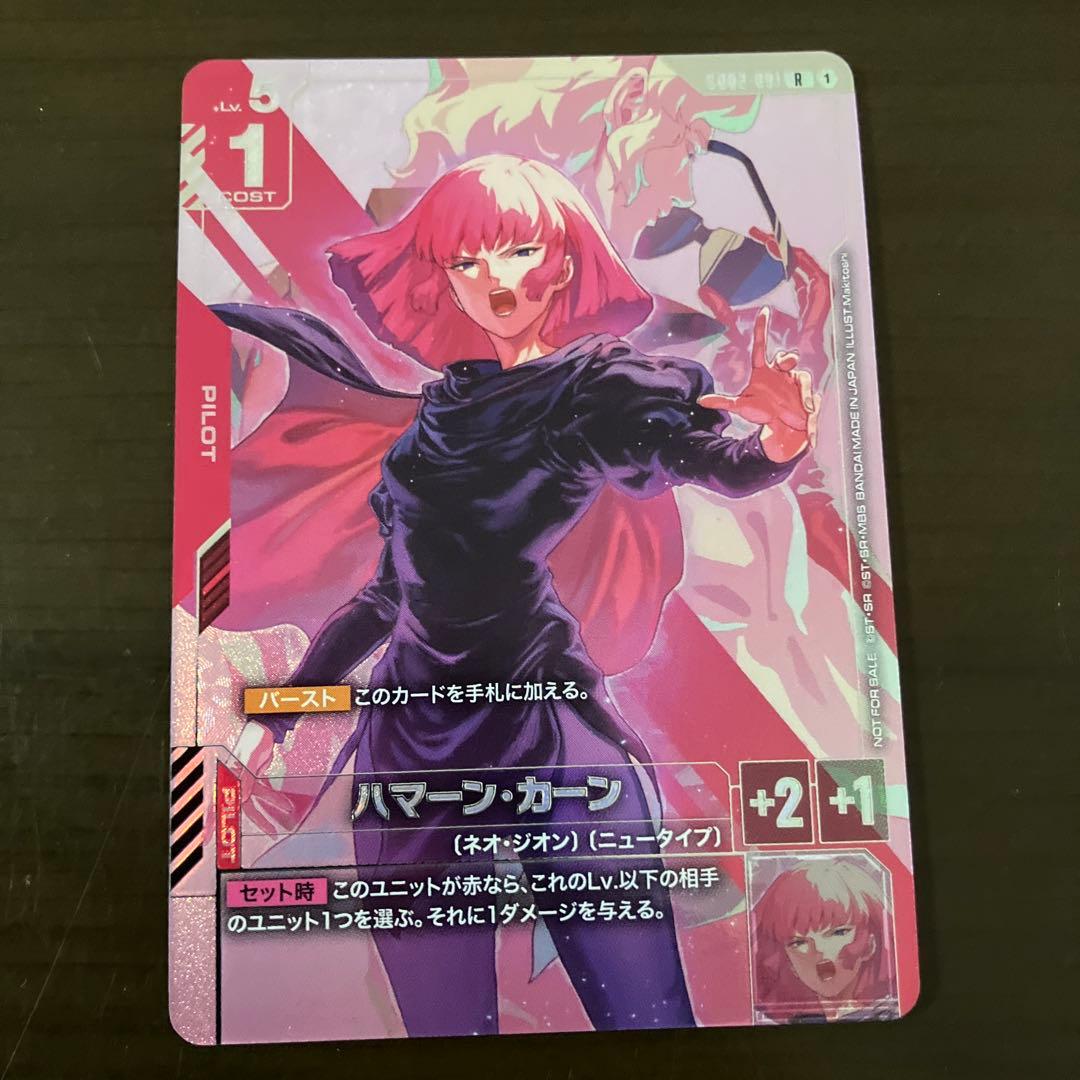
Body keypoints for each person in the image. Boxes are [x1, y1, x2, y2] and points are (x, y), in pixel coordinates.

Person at [217, 153, 819, 1036]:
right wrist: (275, 712)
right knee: (442, 1031)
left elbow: (709, 462)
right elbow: (388, 597)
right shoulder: (437, 418)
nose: (492, 280)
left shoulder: (594, 390)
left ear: (566, 261)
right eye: (466, 260)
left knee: (648, 1017)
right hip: (413, 745)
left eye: (518, 250)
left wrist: (777, 444)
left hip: (546, 727)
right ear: (445, 279)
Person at [751, 858, 897, 1023]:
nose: (818, 949)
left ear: (870, 944)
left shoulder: (888, 1016)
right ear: (789, 962)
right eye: (798, 942)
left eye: (839, 932)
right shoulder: (798, 1023)